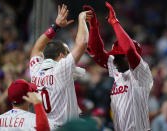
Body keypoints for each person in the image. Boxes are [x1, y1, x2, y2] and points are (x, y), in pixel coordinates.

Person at [84, 2, 153, 131]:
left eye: (119, 57)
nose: (114, 60)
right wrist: (93, 26)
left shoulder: (142, 72)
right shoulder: (118, 68)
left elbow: (130, 51)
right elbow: (97, 53)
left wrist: (114, 22)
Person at [29, 4, 92, 129]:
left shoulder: (35, 70)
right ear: (61, 55)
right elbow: (83, 43)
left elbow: (37, 48)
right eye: (68, 53)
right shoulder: (61, 69)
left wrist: (55, 26)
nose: (70, 57)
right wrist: (81, 19)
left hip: (44, 126)